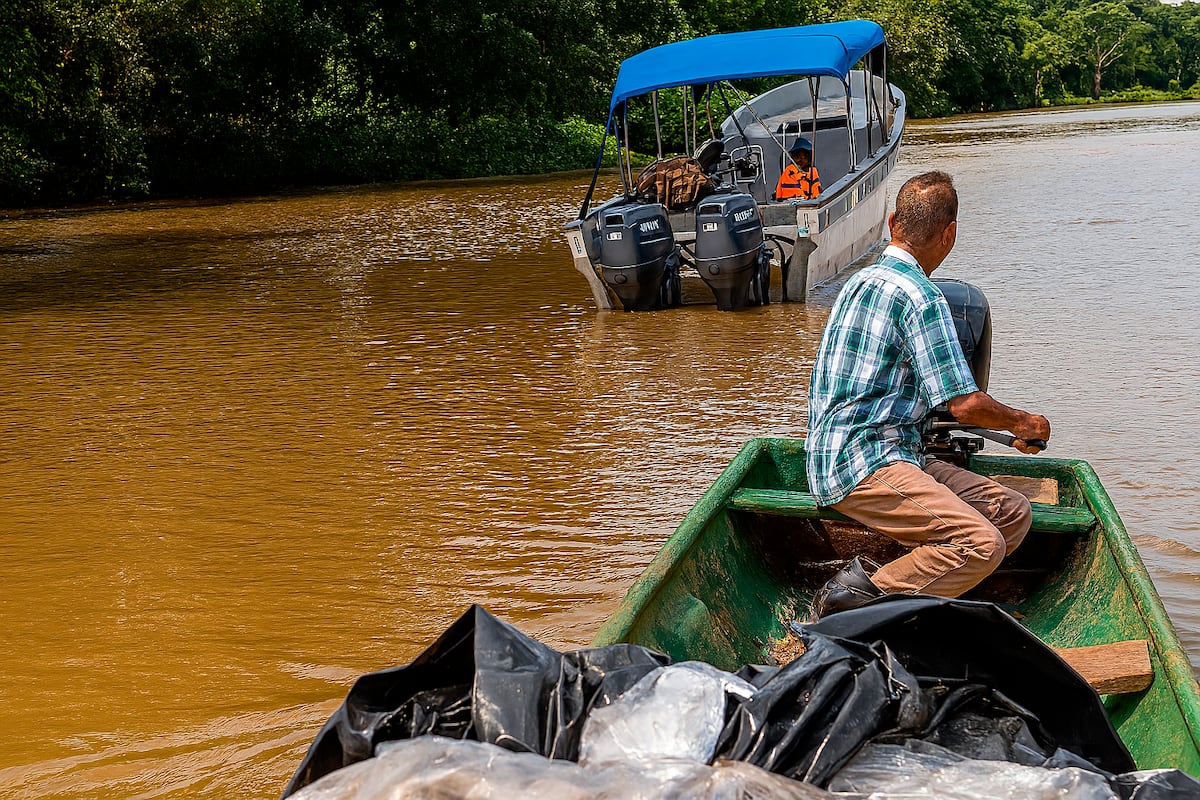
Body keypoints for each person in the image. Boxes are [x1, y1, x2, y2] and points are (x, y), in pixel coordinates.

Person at [806, 170, 1051, 616]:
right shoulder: (923, 297)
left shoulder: (857, 282)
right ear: (950, 234)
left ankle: (920, 600)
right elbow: (964, 404)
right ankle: (851, 606)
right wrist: (1024, 424)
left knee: (1013, 513)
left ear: (892, 222)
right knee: (980, 543)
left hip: (882, 449)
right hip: (862, 461)